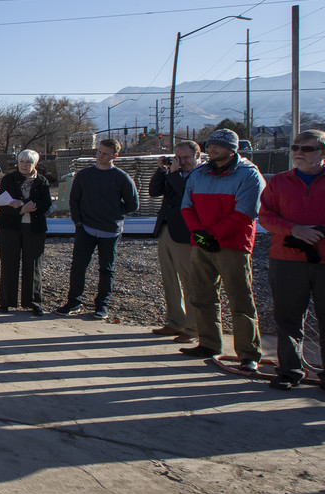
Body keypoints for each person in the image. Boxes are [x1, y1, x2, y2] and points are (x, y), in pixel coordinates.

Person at [258, 130, 325, 400]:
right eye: (295, 147)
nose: (298, 152)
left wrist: (320, 231)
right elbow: (266, 216)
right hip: (287, 262)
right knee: (288, 320)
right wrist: (294, 230)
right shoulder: (280, 182)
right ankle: (289, 372)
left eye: (306, 148)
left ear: (323, 152)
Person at [178, 128, 266, 373]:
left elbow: (246, 212)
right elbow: (187, 207)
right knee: (202, 295)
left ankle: (248, 353)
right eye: (210, 144)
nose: (212, 148)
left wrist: (212, 235)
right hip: (202, 244)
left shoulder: (249, 175)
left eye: (218, 145)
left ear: (232, 148)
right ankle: (208, 343)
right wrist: (200, 234)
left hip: (233, 246)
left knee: (240, 299)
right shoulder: (199, 173)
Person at [55, 138, 140, 320]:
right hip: (86, 228)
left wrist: (115, 212)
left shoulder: (121, 178)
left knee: (106, 268)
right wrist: (78, 222)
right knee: (78, 266)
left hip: (110, 230)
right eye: (99, 152)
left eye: (105, 153)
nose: (100, 156)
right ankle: (74, 302)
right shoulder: (84, 175)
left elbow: (133, 204)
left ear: (114, 156)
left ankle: (102, 305)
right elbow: (74, 200)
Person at [148, 140, 202, 343]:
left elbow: (185, 195)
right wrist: (162, 170)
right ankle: (175, 321)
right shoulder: (174, 172)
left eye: (186, 158)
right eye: (178, 158)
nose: (182, 162)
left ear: (198, 156)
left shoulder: (200, 175)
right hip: (166, 229)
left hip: (186, 233)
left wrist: (174, 174)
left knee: (189, 280)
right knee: (170, 278)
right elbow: (154, 191)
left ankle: (193, 326)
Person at [0, 149, 53, 315]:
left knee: (33, 265)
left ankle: (33, 301)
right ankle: (6, 301)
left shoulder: (42, 181)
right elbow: (1, 203)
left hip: (34, 227)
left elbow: (46, 203)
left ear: (34, 164)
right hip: (9, 227)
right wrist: (20, 209)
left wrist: (29, 207)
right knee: (9, 263)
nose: (24, 165)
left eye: (28, 162)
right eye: (21, 162)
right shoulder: (8, 179)